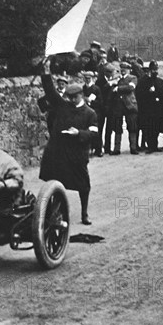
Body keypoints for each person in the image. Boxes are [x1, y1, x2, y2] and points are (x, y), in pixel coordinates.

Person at [39, 61, 98, 225]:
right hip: (58, 153)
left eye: (74, 97)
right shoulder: (62, 106)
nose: (71, 100)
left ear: (81, 95)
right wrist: (45, 72)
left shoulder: (90, 113)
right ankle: (53, 213)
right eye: (69, 97)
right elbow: (50, 92)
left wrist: (78, 133)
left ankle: (84, 214)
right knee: (54, 183)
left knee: (83, 185)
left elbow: (94, 133)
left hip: (77, 154)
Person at [135, 60, 163, 153]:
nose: (155, 72)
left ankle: (155, 146)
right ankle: (150, 146)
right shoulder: (142, 81)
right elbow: (139, 95)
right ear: (150, 70)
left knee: (156, 128)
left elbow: (162, 94)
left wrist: (156, 95)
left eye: (156, 69)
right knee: (148, 128)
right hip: (147, 109)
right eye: (153, 70)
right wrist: (149, 93)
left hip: (157, 109)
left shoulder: (160, 81)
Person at [82, 71, 103, 156]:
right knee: (86, 131)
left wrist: (91, 101)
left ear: (92, 79)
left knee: (97, 131)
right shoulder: (82, 89)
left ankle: (98, 150)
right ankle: (88, 150)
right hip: (85, 113)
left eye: (89, 78)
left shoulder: (96, 88)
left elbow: (100, 102)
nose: (87, 80)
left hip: (95, 112)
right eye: (86, 78)